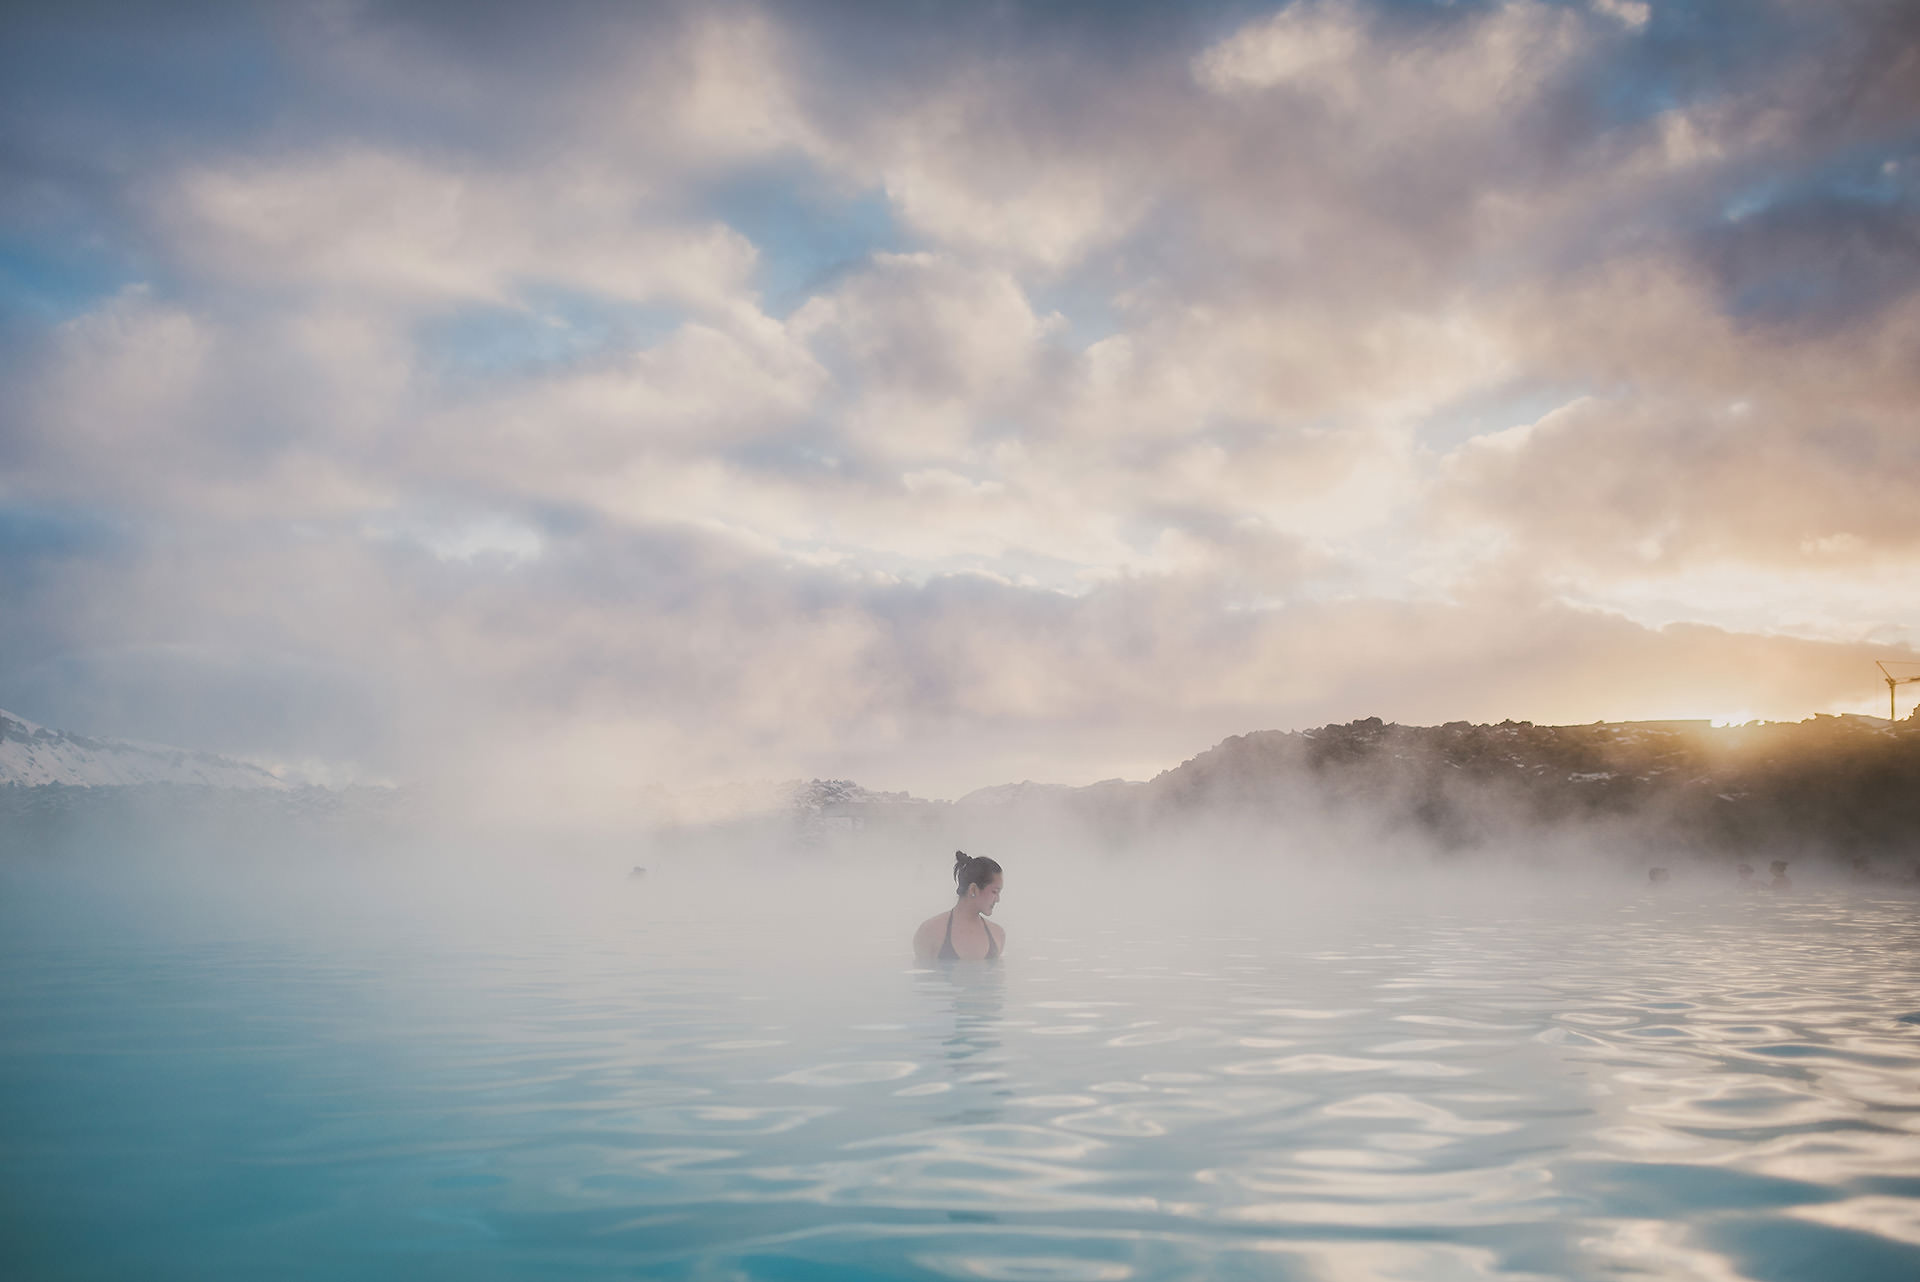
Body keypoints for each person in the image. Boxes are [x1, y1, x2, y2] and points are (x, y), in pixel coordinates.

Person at [914, 851, 1005, 962]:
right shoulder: (930, 932)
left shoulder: (998, 935)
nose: (998, 899)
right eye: (994, 892)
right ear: (973, 890)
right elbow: (922, 977)